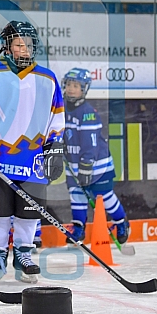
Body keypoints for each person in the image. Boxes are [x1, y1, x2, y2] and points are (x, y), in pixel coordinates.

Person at [0, 21, 65, 283]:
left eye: (29, 44)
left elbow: (57, 116)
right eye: (19, 44)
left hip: (33, 159)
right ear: (7, 46)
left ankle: (24, 254)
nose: (25, 49)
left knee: (28, 211)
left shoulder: (48, 78)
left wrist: (54, 145)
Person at [61, 68, 130, 244]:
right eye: (69, 84)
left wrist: (86, 166)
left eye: (76, 86)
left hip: (97, 165)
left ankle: (121, 222)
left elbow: (89, 144)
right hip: (73, 163)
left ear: (84, 89)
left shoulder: (87, 112)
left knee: (104, 195)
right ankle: (78, 229)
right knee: (76, 195)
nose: (71, 89)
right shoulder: (61, 108)